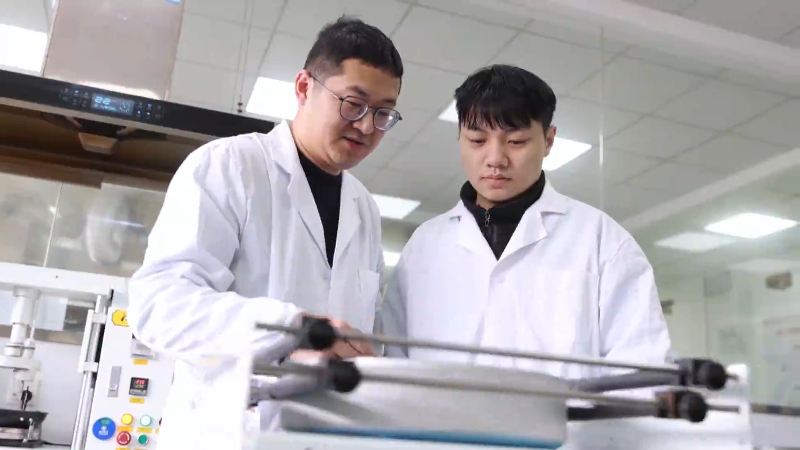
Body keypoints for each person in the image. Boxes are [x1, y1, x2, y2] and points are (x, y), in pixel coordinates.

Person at [127, 17, 404, 448]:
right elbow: (160, 305)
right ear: (304, 88)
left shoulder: (364, 208)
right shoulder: (229, 166)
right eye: (354, 104)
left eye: (383, 113)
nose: (368, 126)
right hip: (226, 436)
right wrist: (289, 329)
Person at [380, 64, 671, 380]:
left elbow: (642, 368)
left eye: (516, 141)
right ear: (459, 137)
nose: (496, 159)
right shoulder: (424, 245)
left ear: (549, 141)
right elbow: (394, 364)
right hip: (438, 414)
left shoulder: (603, 242)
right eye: (477, 140)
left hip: (566, 415)